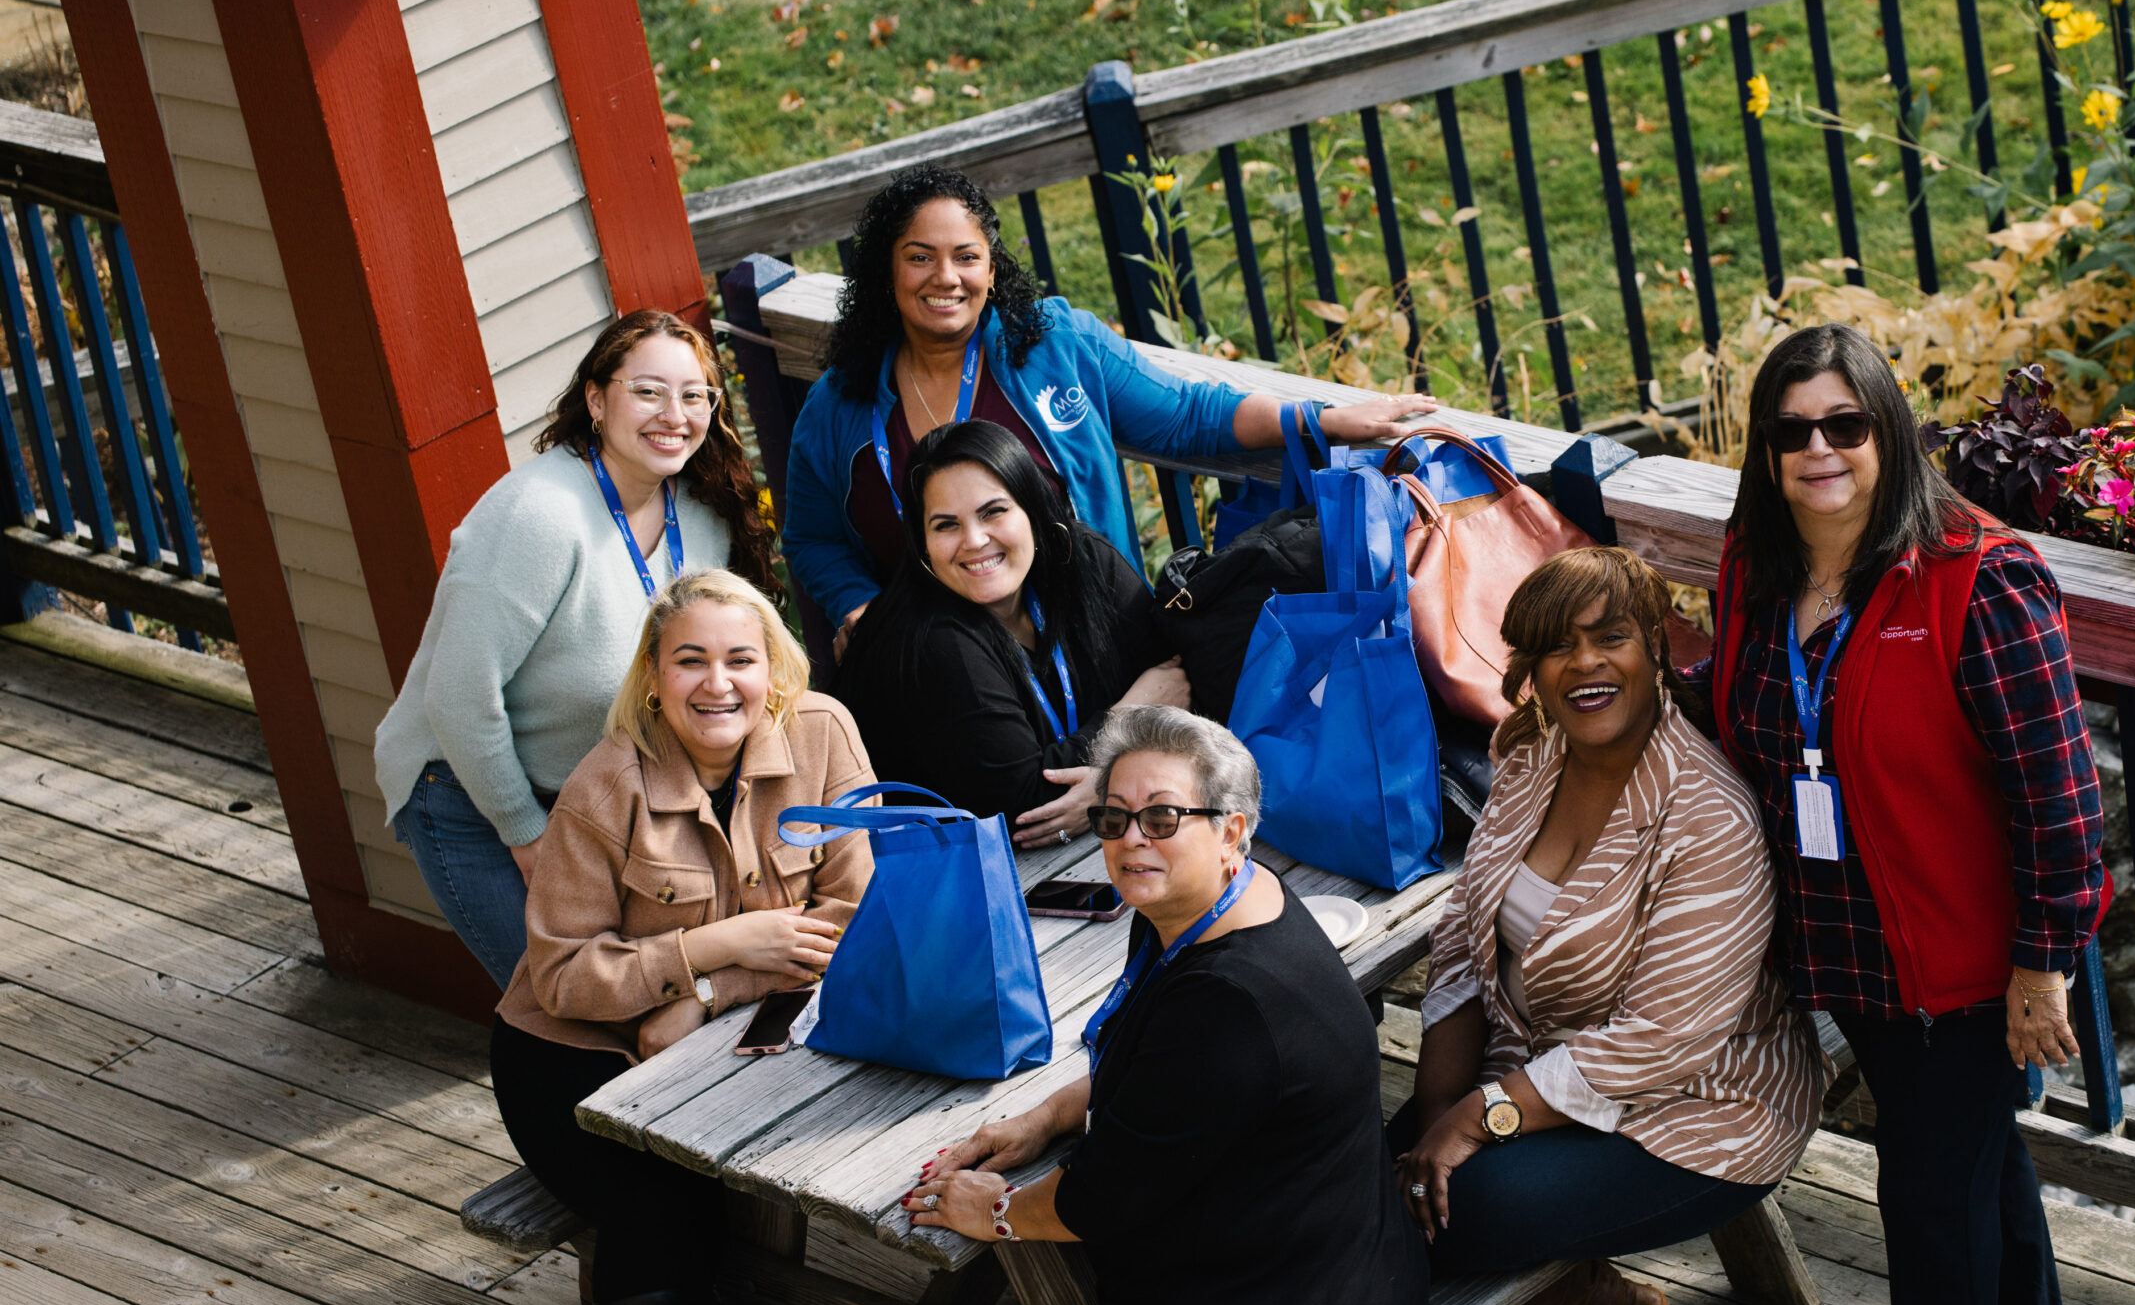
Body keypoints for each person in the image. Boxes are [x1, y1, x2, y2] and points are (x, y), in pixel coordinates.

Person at [1698, 324, 2107, 1305]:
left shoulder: (1980, 581)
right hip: (1841, 946)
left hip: (1965, 967)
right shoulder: (1754, 567)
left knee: (1924, 1202)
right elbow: (1741, 721)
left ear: (1889, 429)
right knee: (1964, 1156)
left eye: (1845, 425)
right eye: (1790, 431)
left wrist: (2042, 971)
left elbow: (2061, 801)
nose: (1818, 450)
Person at [909, 706, 1442, 1305]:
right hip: (1335, 1284)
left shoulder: (1230, 1001)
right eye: (1114, 818)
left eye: (1163, 816)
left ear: (1231, 828)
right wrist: (1046, 1115)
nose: (1131, 840)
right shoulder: (1225, 906)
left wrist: (997, 1212)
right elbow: (1153, 1060)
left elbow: (1095, 1203)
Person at [1393, 547, 1826, 1305]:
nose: (1584, 662)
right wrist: (1432, 1104)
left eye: (1611, 637)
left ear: (1654, 650)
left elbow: (1661, 1039)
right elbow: (1465, 934)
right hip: (1548, 1071)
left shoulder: (1707, 816)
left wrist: (1476, 1117)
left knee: (1444, 1217)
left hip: (1703, 1109)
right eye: (1558, 646)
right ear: (1531, 668)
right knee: (1358, 1182)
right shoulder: (1528, 756)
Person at [489, 569, 874, 1305]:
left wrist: (711, 994)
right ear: (654, 679)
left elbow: (851, 904)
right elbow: (565, 976)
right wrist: (711, 952)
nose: (718, 683)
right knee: (667, 1210)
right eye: (690, 659)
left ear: (773, 669)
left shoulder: (822, 733)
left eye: (740, 658)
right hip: (570, 1056)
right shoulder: (607, 784)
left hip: (709, 1042)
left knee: (689, 1213)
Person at [781, 163, 1422, 658]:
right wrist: (857, 606)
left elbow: (1185, 414)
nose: (945, 276)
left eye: (966, 257)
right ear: (885, 273)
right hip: (941, 666)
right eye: (920, 257)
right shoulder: (840, 401)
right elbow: (811, 537)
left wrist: (1318, 420)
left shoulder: (1056, 346)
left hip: (1097, 644)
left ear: (993, 269)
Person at [375, 310, 777, 985]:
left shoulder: (700, 516)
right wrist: (525, 832)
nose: (672, 414)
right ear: (596, 398)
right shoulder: (538, 515)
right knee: (566, 1002)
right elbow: (458, 696)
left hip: (596, 796)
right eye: (647, 391)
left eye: (693, 395)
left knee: (659, 989)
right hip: (471, 795)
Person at [840, 419, 1189, 845]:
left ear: (1033, 511)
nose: (974, 540)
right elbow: (1029, 810)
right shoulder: (932, 640)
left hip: (1095, 847)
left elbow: (1182, 679)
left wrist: (1104, 782)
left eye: (994, 512)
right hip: (961, 877)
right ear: (923, 544)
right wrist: (1133, 716)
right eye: (945, 525)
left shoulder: (1082, 562)